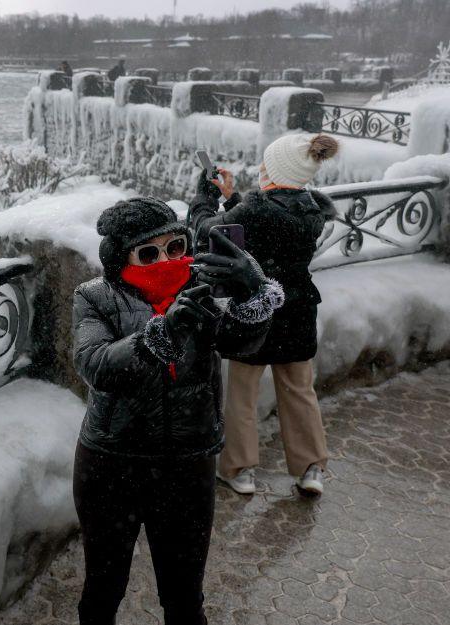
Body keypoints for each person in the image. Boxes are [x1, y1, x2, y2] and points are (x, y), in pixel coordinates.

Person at [72, 197, 284, 625]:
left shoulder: (200, 288)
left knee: (185, 596)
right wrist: (160, 333)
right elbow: (94, 364)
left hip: (187, 463)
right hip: (113, 462)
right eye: (148, 253)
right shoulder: (95, 297)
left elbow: (240, 344)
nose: (166, 260)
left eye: (175, 247)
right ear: (120, 259)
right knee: (103, 589)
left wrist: (252, 292)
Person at [186, 134, 339, 497]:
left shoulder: (256, 211)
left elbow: (209, 230)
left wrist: (204, 197)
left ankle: (240, 471)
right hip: (298, 309)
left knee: (243, 394)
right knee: (300, 390)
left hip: (257, 310)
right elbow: (269, 224)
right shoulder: (311, 210)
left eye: (265, 165)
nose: (259, 169)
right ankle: (310, 468)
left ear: (275, 171)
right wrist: (232, 198)